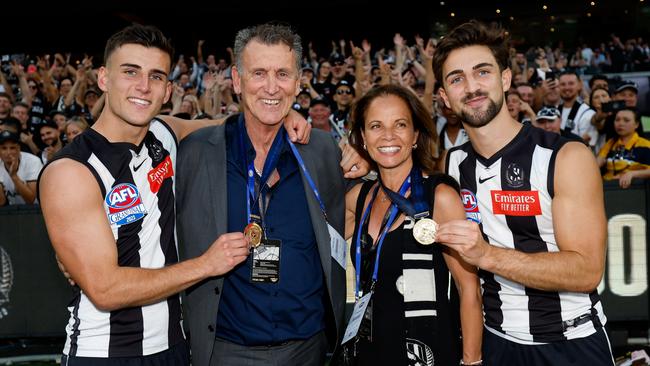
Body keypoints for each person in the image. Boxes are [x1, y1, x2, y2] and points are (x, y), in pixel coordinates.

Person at [38, 24, 314, 365]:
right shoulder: (71, 171)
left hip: (175, 348)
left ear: (168, 90)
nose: (143, 86)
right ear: (103, 78)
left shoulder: (164, 137)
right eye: (130, 72)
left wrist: (283, 114)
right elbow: (105, 289)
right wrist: (204, 265)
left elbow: (234, 123)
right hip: (105, 354)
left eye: (156, 76)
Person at [175, 23, 368, 366]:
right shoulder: (197, 152)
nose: (271, 86)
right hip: (225, 351)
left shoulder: (324, 151)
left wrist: (370, 161)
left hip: (309, 349)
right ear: (236, 79)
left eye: (282, 74)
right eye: (258, 73)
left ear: (298, 81)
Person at [432, 20, 613, 365]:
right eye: (456, 79)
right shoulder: (452, 163)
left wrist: (486, 255)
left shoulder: (566, 156)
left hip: (570, 343)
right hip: (497, 344)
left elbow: (586, 270)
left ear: (504, 79)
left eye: (482, 72)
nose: (471, 87)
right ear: (444, 96)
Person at [343, 84, 483, 365]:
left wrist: (472, 361)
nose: (388, 136)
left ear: (415, 134)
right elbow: (313, 236)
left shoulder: (439, 196)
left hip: (426, 350)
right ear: (362, 136)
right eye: (375, 126)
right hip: (369, 347)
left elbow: (468, 287)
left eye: (400, 125)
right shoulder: (358, 198)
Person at [597, 107, 650, 188]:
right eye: (617, 120)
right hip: (608, 187)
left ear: (636, 124)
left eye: (626, 120)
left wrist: (632, 174)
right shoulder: (610, 143)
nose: (620, 123)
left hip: (633, 189)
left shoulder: (645, 145)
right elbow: (598, 163)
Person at [0, 129, 42, 205]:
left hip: (36, 211)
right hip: (11, 212)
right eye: (4, 148)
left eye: (12, 148)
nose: (8, 153)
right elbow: (1, 202)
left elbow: (31, 200)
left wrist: (14, 176)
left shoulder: (33, 161)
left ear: (18, 149)